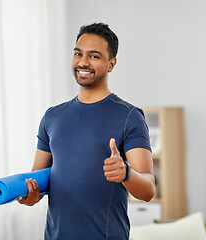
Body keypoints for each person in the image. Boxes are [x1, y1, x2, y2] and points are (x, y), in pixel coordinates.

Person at [18, 22, 155, 239]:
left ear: (111, 64)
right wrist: (31, 195)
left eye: (94, 56)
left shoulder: (129, 116)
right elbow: (39, 178)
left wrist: (126, 173)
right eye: (78, 53)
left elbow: (148, 190)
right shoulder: (52, 117)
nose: (83, 62)